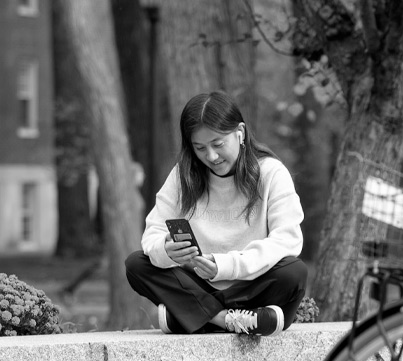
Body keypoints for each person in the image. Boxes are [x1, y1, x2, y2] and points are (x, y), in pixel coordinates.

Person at [125, 90, 306, 336]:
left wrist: (226, 265)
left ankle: (188, 315)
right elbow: (153, 234)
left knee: (293, 273)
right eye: (199, 148)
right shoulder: (183, 176)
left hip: (251, 284)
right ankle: (228, 319)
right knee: (137, 264)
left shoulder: (271, 173)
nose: (211, 156)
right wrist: (166, 250)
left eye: (218, 144)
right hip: (200, 286)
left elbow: (287, 240)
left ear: (240, 133)